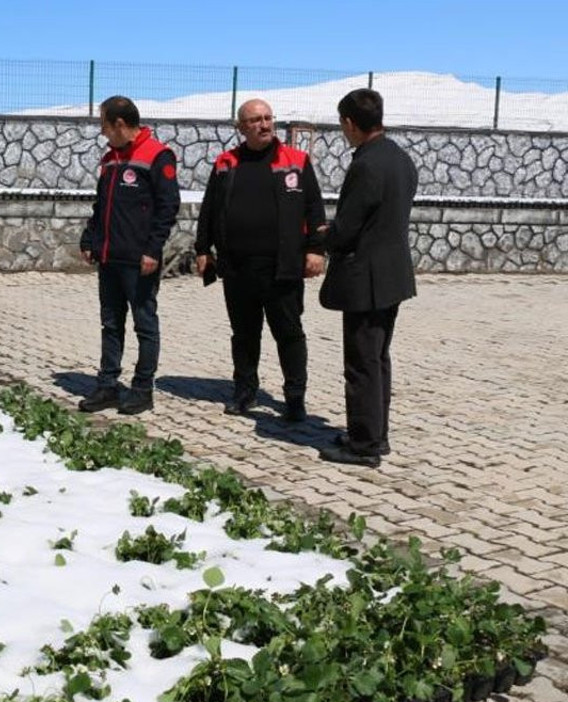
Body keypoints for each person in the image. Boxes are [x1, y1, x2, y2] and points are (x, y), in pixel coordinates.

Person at [194, 99, 326, 421]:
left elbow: (314, 208)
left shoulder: (296, 161)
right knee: (244, 335)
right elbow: (209, 209)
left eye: (268, 118)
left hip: (283, 268)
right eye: (255, 120)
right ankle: (244, 392)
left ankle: (295, 397)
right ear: (242, 127)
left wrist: (316, 250)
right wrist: (202, 249)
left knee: (289, 335)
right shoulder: (226, 163)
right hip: (238, 268)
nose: (264, 124)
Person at [317, 88, 418, 467]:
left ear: (348, 123)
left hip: (365, 278)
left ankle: (363, 445)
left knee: (361, 363)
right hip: (391, 276)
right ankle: (376, 434)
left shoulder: (366, 164)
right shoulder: (399, 158)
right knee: (377, 359)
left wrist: (325, 237)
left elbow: (349, 226)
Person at [77, 95, 181, 415]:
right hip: (109, 257)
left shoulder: (158, 155)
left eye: (104, 125)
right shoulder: (110, 159)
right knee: (111, 323)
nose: (103, 132)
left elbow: (168, 207)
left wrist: (153, 249)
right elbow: (101, 206)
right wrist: (90, 239)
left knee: (144, 324)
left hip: (139, 261)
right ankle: (107, 384)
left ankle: (141, 389)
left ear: (120, 124)